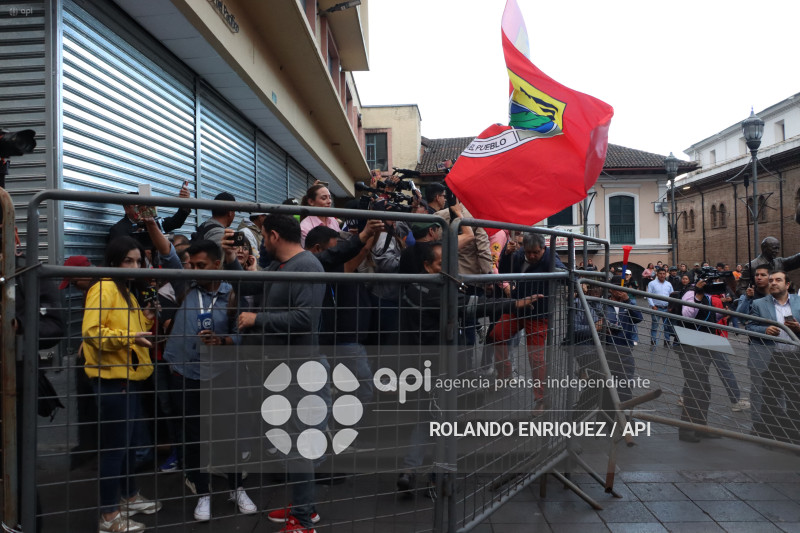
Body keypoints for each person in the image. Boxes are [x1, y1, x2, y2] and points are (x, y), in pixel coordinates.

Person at [236, 215, 326, 533]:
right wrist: (240, 263)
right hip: (285, 371)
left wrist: (256, 320)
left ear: (274, 235)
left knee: (302, 446)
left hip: (302, 372)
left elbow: (304, 318)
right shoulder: (281, 267)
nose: (261, 242)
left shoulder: (308, 266)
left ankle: (302, 521)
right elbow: (256, 285)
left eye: (262, 236)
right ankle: (306, 507)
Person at [162, 239, 257, 521]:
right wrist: (152, 222)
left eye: (201, 265)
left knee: (229, 431)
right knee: (193, 435)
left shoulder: (233, 293)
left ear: (217, 264)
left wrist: (224, 340)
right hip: (187, 372)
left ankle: (236, 487)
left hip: (223, 372)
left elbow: (245, 333)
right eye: (191, 264)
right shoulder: (186, 287)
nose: (194, 270)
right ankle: (202, 491)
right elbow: (167, 255)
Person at [82, 236, 163, 532]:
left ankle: (127, 496)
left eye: (138, 260)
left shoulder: (124, 290)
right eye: (128, 260)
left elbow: (126, 329)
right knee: (116, 448)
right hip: (111, 379)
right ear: (114, 261)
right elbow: (92, 332)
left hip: (126, 378)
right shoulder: (104, 288)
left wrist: (144, 320)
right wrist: (130, 336)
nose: (135, 265)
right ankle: (108, 516)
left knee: (126, 445)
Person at [491, 232, 565, 415]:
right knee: (496, 334)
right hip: (517, 307)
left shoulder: (550, 257)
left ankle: (541, 399)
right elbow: (505, 272)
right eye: (529, 252)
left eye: (536, 252)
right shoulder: (517, 254)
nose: (531, 256)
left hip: (539, 313)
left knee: (536, 357)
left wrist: (575, 283)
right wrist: (506, 255)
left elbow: (565, 273)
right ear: (523, 248)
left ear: (543, 249)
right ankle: (505, 371)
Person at [747, 270, 800, 443]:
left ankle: (794, 437)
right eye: (771, 280)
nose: (773, 283)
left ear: (787, 285)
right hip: (771, 357)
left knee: (795, 399)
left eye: (778, 280)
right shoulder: (759, 304)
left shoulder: (799, 302)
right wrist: (764, 330)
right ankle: (769, 437)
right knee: (769, 398)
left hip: (795, 358)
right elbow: (749, 327)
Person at [677, 279, 725, 443]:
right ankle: (686, 429)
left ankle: (700, 427)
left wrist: (724, 308)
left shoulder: (709, 297)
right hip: (691, 344)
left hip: (704, 342)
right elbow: (687, 314)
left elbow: (712, 316)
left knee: (704, 388)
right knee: (694, 386)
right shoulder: (690, 293)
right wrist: (698, 294)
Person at [737, 264, 772, 429]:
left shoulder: (776, 296)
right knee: (758, 388)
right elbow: (741, 317)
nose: (758, 277)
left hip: (779, 350)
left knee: (778, 389)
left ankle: (778, 423)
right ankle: (757, 424)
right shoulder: (750, 294)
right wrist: (748, 298)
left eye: (763, 275)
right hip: (758, 348)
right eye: (757, 275)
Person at [602, 276, 643, 403]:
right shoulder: (604, 304)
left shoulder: (628, 303)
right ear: (611, 289)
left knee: (625, 385)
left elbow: (638, 318)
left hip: (625, 351)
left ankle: (624, 417)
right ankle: (607, 418)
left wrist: (627, 301)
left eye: (623, 287)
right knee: (607, 388)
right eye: (618, 287)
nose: (621, 290)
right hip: (607, 350)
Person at [107, 182, 191, 242]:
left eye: (142, 205)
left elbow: (176, 222)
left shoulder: (156, 222)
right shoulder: (118, 230)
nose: (140, 209)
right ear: (126, 208)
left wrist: (185, 203)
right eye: (136, 207)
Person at [646, 268, 674, 347]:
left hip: (666, 308)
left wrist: (671, 306)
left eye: (663, 274)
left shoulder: (668, 284)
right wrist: (652, 305)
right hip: (656, 308)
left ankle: (667, 341)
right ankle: (653, 341)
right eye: (660, 273)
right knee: (655, 326)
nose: (662, 275)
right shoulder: (652, 283)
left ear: (666, 274)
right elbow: (649, 295)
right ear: (657, 274)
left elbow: (672, 296)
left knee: (667, 326)